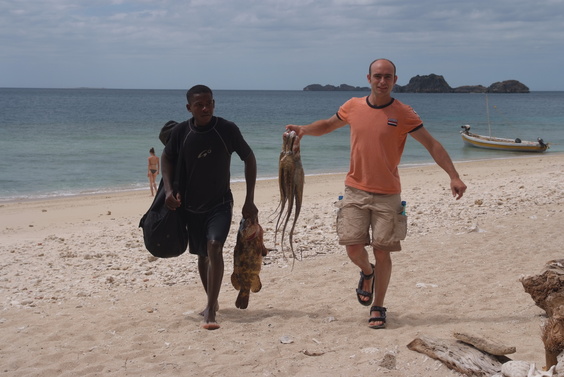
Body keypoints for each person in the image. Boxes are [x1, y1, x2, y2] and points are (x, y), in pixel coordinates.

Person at [286, 59, 467, 329]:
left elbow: (432, 144)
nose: (382, 81)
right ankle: (367, 272)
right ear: (368, 78)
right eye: (378, 76)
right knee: (353, 248)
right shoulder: (353, 106)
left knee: (383, 252)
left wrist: (453, 175)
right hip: (354, 190)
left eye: (388, 77)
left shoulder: (404, 113)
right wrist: (304, 130)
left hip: (388, 194)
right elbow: (326, 125)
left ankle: (378, 306)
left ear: (395, 80)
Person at [161, 85, 258, 330]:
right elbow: (166, 157)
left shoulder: (226, 129)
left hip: (220, 203)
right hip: (191, 207)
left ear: (214, 103)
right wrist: (169, 191)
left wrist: (250, 199)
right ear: (189, 108)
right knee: (203, 256)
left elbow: (249, 158)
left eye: (209, 103)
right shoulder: (182, 131)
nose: (205, 108)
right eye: (199, 105)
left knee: (214, 247)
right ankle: (211, 302)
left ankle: (211, 312)